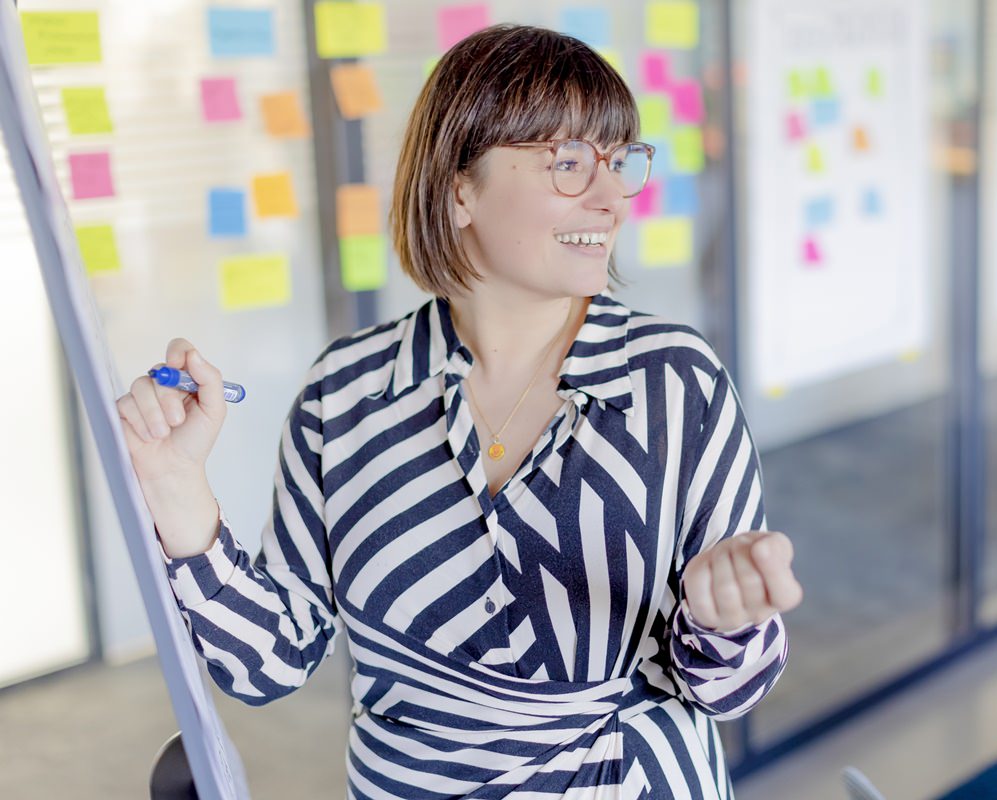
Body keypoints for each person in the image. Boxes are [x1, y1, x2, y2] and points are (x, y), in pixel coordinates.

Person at [117, 24, 802, 800]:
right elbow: (269, 663)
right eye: (569, 163)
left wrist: (723, 624)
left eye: (619, 162)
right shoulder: (344, 393)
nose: (612, 198)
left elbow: (727, 691)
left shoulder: (674, 381)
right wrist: (178, 493)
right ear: (459, 189)